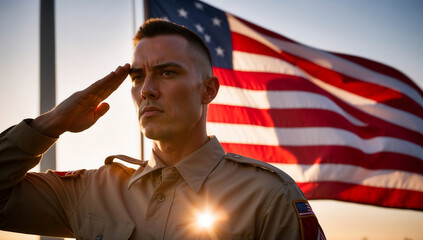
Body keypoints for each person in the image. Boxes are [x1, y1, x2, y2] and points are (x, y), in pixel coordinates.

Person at [0, 19, 325, 239]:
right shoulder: (93, 190)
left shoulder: (267, 195)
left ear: (208, 90)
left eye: (167, 73)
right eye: (138, 77)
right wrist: (48, 124)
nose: (146, 90)